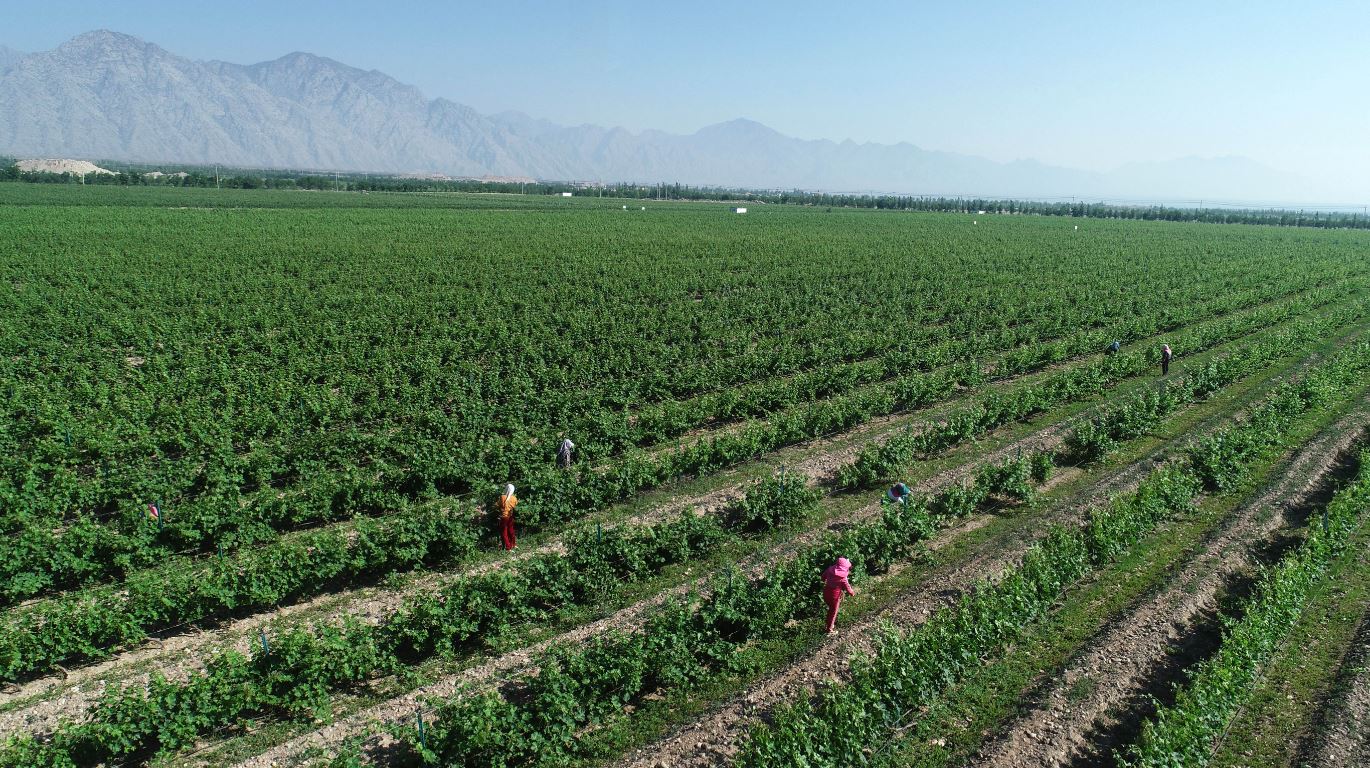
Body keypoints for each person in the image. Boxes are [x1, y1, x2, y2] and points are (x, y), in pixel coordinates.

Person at [821, 557, 857, 634]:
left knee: (830, 609)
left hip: (826, 592)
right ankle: (829, 629)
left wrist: (826, 580)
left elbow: (823, 577)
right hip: (834, 596)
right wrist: (852, 593)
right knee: (833, 612)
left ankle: (828, 623)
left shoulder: (829, 570)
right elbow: (848, 587)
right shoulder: (843, 577)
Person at [497, 483, 518, 550]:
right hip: (510, 516)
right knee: (511, 530)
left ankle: (508, 547)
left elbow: (497, 505)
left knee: (504, 532)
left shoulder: (502, 497)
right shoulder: (514, 498)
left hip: (504, 517)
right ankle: (513, 544)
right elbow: (515, 504)